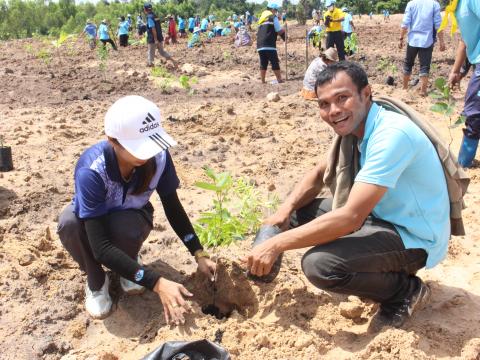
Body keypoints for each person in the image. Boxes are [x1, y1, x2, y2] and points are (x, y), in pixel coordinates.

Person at [244, 61, 451, 330]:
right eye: (324, 104)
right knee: (292, 213)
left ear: (366, 94)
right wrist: (283, 213)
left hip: (416, 235)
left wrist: (276, 245)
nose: (334, 111)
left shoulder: (391, 135)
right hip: (381, 214)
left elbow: (351, 217)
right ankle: (261, 277)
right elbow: (320, 173)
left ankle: (405, 291)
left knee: (320, 265)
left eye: (342, 98)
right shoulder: (357, 128)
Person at [57, 95, 217, 322]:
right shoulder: (92, 170)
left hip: (130, 220)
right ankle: (96, 280)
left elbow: (173, 206)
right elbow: (101, 247)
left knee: (127, 226)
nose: (149, 153)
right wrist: (157, 282)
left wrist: (198, 252)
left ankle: (129, 264)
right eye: (140, 147)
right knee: (69, 223)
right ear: (113, 141)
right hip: (92, 227)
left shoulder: (159, 157)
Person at [443, 0, 480, 168]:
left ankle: (463, 163)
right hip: (476, 62)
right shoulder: (456, 6)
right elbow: (465, 41)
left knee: (473, 112)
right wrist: (456, 71)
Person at [399, 0, 446, 96]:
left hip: (412, 40)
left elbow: (405, 23)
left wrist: (401, 38)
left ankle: (404, 88)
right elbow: (438, 25)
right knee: (425, 66)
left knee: (408, 64)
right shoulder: (434, 4)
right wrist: (441, 41)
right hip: (427, 41)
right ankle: (423, 91)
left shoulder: (411, 4)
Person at [256, 2, 286, 84]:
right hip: (269, 43)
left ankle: (263, 81)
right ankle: (279, 79)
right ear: (272, 10)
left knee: (263, 62)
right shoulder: (273, 17)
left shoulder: (261, 18)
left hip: (260, 45)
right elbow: (278, 30)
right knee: (274, 61)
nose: (276, 12)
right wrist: (284, 32)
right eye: (275, 10)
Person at [144, 3, 177, 68]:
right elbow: (158, 27)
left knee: (151, 53)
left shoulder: (149, 17)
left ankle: (151, 67)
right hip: (160, 37)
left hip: (153, 39)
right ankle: (173, 60)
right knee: (162, 51)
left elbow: (153, 28)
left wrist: (155, 39)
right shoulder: (156, 16)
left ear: (145, 10)